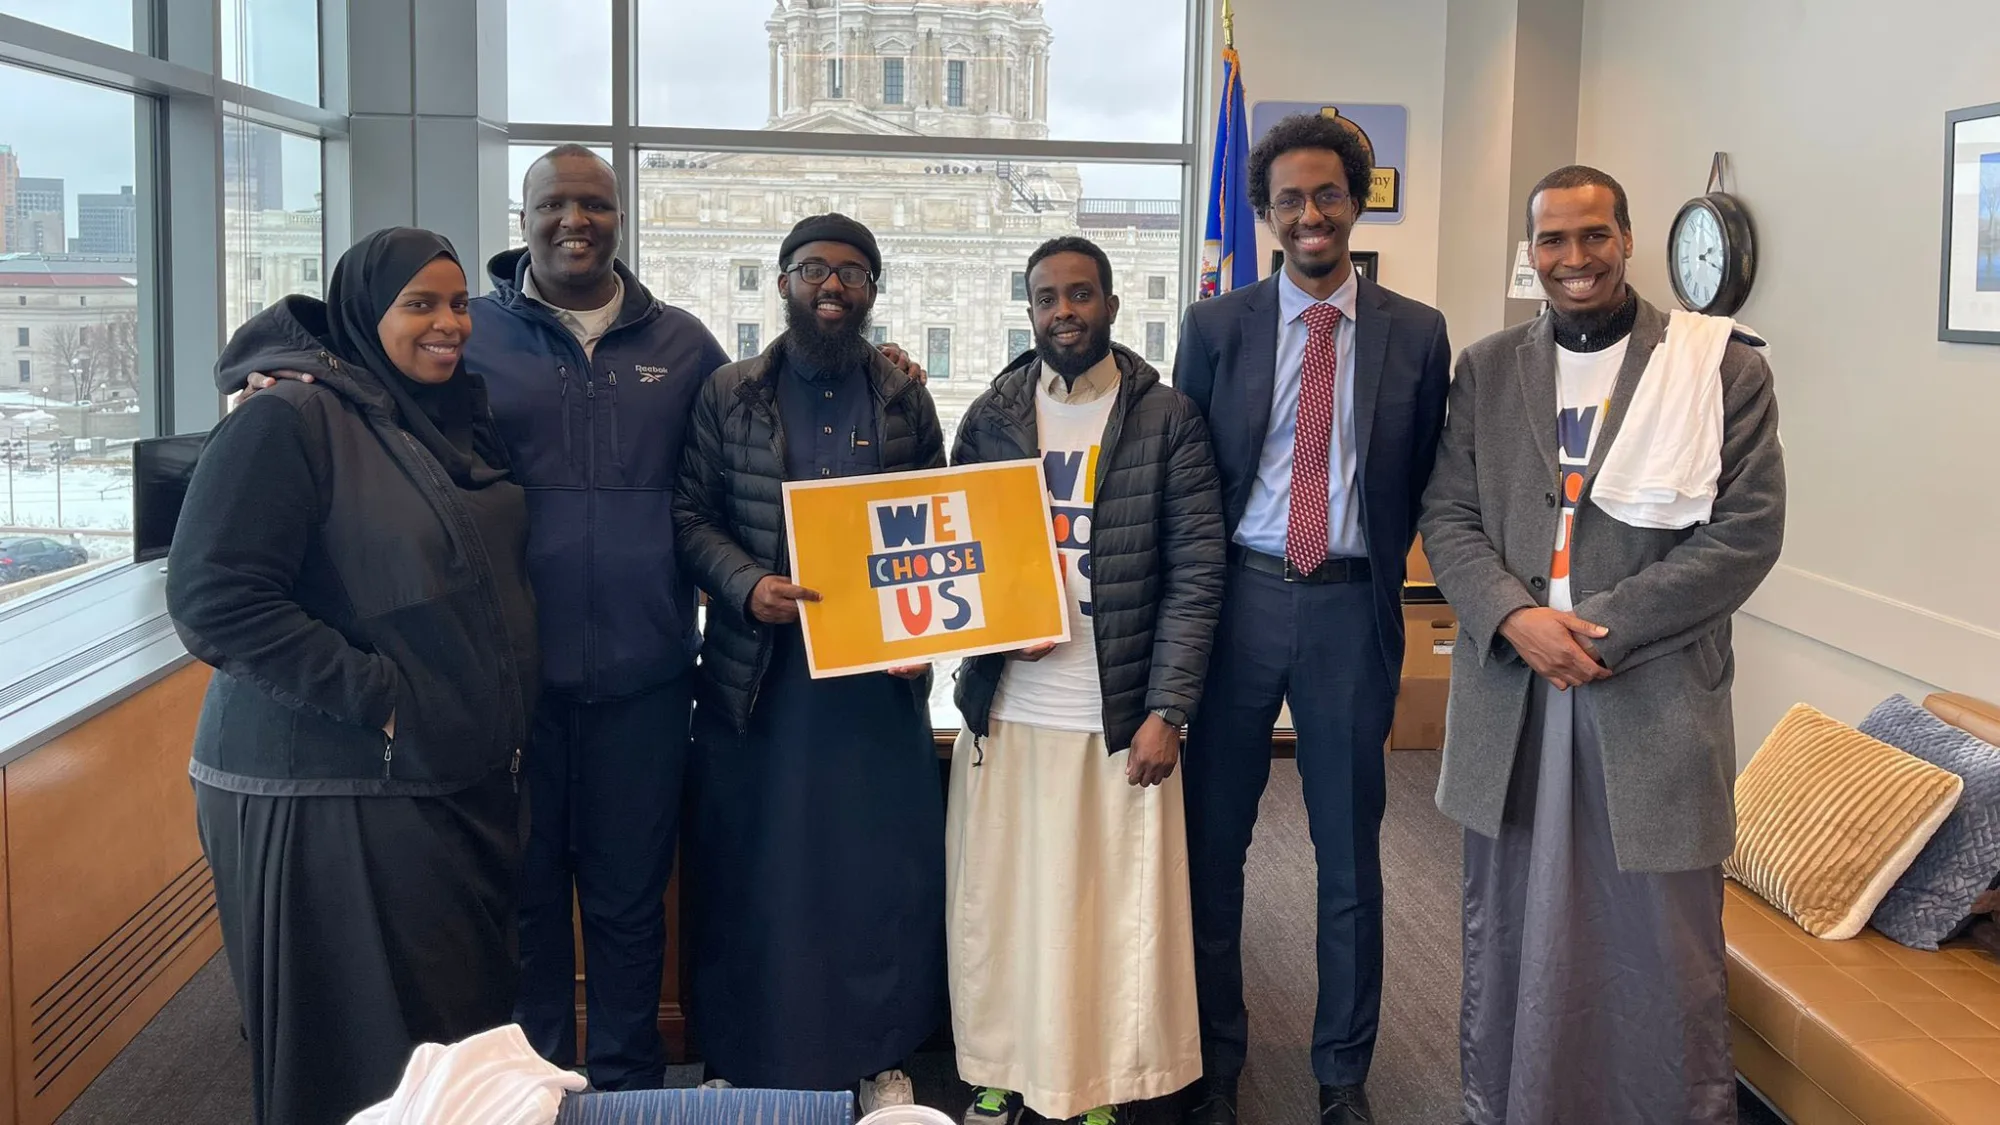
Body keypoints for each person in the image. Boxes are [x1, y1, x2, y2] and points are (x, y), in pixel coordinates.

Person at [1419, 165, 1785, 1125]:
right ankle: (1510, 1102)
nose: (1573, 259)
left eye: (1593, 236)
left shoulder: (1721, 367)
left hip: (1649, 696)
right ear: (1530, 251)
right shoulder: (1489, 368)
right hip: (1514, 693)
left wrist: (1599, 629)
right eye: (1552, 240)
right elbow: (1449, 516)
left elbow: (1745, 533)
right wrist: (1513, 618)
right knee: (1511, 927)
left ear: (1627, 240)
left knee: (1657, 939)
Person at [168, 228, 539, 1125]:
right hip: (332, 791)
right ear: (366, 314)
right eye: (420, 304)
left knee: (444, 1046)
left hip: (439, 779)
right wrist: (378, 698)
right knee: (365, 1053)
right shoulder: (289, 417)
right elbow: (215, 599)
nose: (448, 323)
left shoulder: (443, 414)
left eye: (457, 303)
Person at [1171, 112, 1452, 1125]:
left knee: (1346, 853)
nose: (1307, 215)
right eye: (1287, 199)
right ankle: (1213, 1062)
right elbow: (1186, 475)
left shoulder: (1415, 334)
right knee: (1214, 849)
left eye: (1325, 194)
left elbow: (1422, 478)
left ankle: (1342, 1077)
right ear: (1264, 216)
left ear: (1356, 201)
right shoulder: (1215, 329)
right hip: (1238, 601)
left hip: (1346, 609)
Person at [947, 236, 1224, 1125]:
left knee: (1106, 910)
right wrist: (990, 630)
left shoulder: (1166, 416)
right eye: (1046, 298)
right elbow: (959, 550)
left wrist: (1169, 709)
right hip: (1014, 705)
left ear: (1108, 304)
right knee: (1009, 901)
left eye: (1079, 295)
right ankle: (1004, 1061)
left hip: (1117, 708)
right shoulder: (990, 413)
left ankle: (1098, 1079)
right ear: (1027, 310)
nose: (1063, 311)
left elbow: (1196, 572)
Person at [672, 213, 947, 1109]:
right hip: (759, 679)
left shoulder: (907, 395)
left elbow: (944, 529)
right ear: (782, 280)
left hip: (875, 686)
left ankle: (880, 1051)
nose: (833, 286)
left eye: (854, 274)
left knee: (874, 870)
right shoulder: (729, 392)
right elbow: (688, 518)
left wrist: (924, 638)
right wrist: (746, 582)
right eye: (814, 270)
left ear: (873, 290)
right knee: (755, 866)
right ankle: (743, 1049)